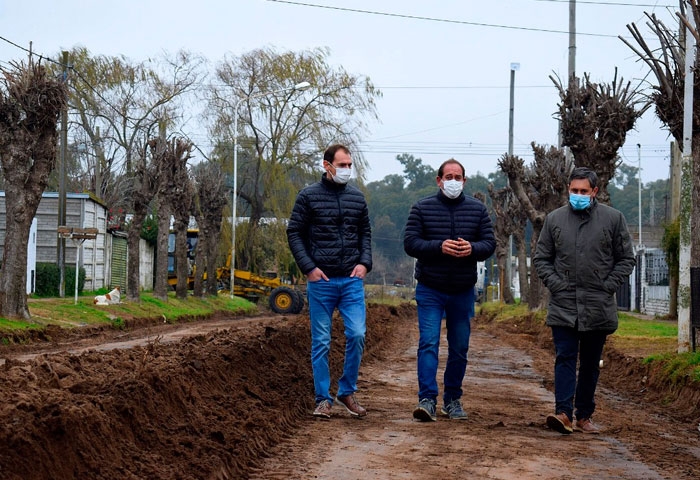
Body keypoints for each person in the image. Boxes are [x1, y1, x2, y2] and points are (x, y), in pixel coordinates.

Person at [533, 167, 635, 434]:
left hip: (597, 304)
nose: (578, 195)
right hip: (563, 304)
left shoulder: (613, 219)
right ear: (568, 189)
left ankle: (584, 416)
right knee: (565, 357)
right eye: (574, 190)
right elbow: (542, 259)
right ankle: (563, 413)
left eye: (583, 191)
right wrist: (556, 285)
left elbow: (626, 259)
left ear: (595, 192)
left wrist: (608, 285)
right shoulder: (554, 220)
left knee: (590, 362)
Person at [403, 158, 496, 421]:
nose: (453, 181)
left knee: (459, 347)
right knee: (428, 343)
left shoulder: (478, 210)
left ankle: (452, 399)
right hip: (430, 287)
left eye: (458, 177)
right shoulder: (421, 208)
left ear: (464, 181)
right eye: (448, 176)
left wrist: (473, 249)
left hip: (462, 289)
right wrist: (438, 246)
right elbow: (410, 243)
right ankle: (427, 399)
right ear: (439, 180)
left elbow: (489, 243)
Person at [286, 144, 372, 419]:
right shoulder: (308, 197)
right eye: (342, 164)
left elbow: (365, 234)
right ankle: (323, 399)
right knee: (321, 341)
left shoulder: (357, 199)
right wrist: (308, 267)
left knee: (357, 334)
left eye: (349, 165)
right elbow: (294, 232)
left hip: (350, 281)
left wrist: (364, 263)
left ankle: (346, 390)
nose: (347, 169)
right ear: (327, 165)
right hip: (321, 281)